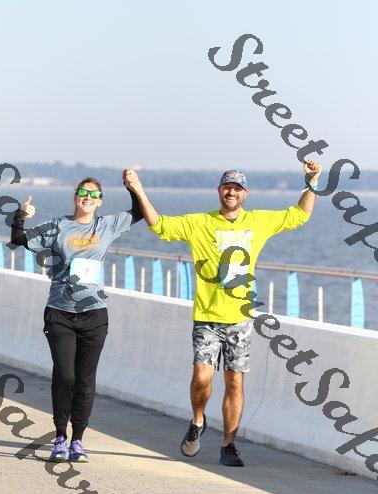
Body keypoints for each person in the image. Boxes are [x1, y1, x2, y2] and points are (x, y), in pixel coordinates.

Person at [122, 161, 322, 466]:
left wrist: (312, 182)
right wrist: (138, 189)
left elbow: (299, 215)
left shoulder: (258, 222)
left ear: (245, 195)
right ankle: (198, 420)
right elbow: (159, 225)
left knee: (234, 383)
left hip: (240, 319)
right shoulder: (200, 223)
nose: (232, 192)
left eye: (237, 188)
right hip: (207, 316)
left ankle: (228, 445)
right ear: (219, 191)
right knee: (202, 376)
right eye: (227, 187)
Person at [10, 177, 143, 462]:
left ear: (100, 201)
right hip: (60, 312)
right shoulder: (58, 226)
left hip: (95, 314)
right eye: (82, 192)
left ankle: (78, 440)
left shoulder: (106, 225)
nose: (87, 197)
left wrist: (132, 186)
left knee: (85, 379)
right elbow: (18, 240)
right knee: (65, 375)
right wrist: (20, 216)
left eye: (94, 194)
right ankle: (60, 436)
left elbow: (139, 212)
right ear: (75, 197)